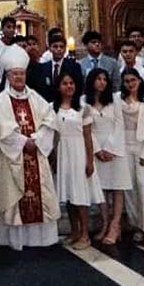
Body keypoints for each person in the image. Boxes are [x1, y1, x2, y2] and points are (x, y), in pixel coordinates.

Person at [0, 46, 58, 250]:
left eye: (21, 73)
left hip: (36, 153)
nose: (18, 77)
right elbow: (0, 129)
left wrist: (36, 140)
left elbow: (50, 120)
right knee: (14, 194)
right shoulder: (1, 100)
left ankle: (40, 239)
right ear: (8, 76)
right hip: (14, 159)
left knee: (39, 193)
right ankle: (16, 240)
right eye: (14, 74)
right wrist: (22, 142)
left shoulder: (34, 97)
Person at [54, 71, 101, 249]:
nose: (69, 86)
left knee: (80, 195)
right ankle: (74, 231)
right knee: (69, 196)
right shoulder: (54, 107)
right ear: (59, 87)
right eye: (65, 83)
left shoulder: (83, 108)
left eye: (71, 83)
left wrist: (90, 161)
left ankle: (85, 234)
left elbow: (88, 137)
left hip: (79, 152)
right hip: (63, 153)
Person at [85, 69, 127, 245]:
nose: (102, 82)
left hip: (115, 147)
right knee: (100, 188)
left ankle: (115, 224)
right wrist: (97, 150)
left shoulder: (115, 101)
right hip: (96, 149)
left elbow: (119, 125)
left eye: (104, 79)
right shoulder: (83, 102)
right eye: (98, 79)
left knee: (117, 187)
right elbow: (87, 129)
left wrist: (110, 148)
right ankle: (105, 222)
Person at [120, 70, 144, 247]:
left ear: (140, 81)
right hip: (124, 146)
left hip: (142, 146)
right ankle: (136, 225)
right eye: (127, 81)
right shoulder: (117, 100)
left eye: (133, 80)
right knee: (130, 188)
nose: (130, 84)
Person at [31, 33, 82, 102]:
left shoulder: (74, 67)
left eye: (61, 47)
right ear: (50, 48)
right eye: (55, 47)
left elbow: (78, 89)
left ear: (65, 49)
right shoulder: (42, 68)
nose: (59, 49)